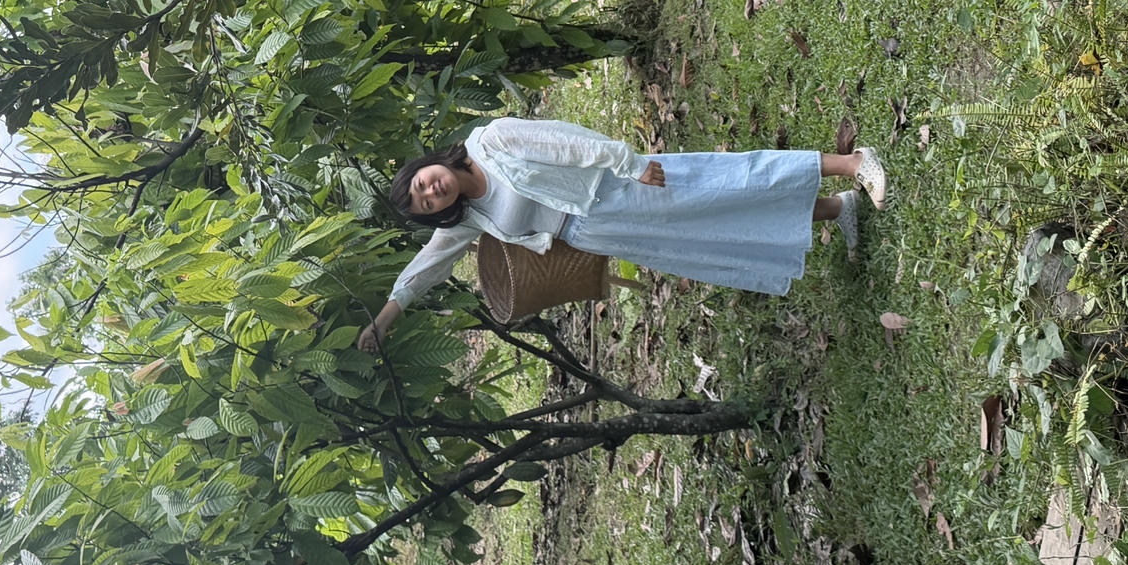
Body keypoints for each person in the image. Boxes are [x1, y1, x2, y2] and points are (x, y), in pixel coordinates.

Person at [357, 116, 886, 351]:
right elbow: (428, 265)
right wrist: (384, 319)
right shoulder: (469, 218)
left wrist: (629, 162)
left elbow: (564, 143)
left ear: (425, 166)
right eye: (425, 203)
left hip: (617, 187)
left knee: (727, 182)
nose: (432, 192)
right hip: (599, 231)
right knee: (711, 228)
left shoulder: (491, 142)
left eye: (422, 184)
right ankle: (838, 209)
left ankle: (851, 163)